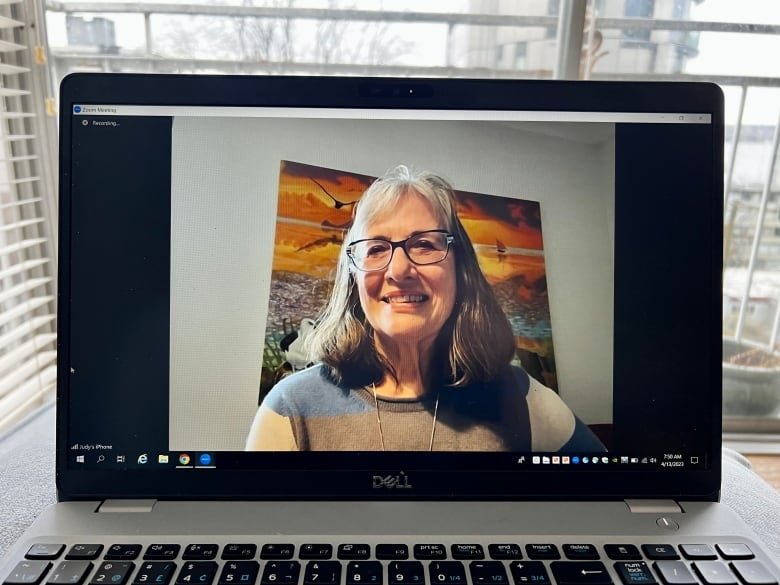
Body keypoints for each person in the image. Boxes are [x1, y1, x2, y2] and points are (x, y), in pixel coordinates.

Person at [246, 165, 605, 452]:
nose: (399, 270)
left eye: (425, 245)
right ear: (353, 279)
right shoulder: (291, 408)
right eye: (375, 248)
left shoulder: (522, 399)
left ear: (460, 271)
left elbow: (609, 508)